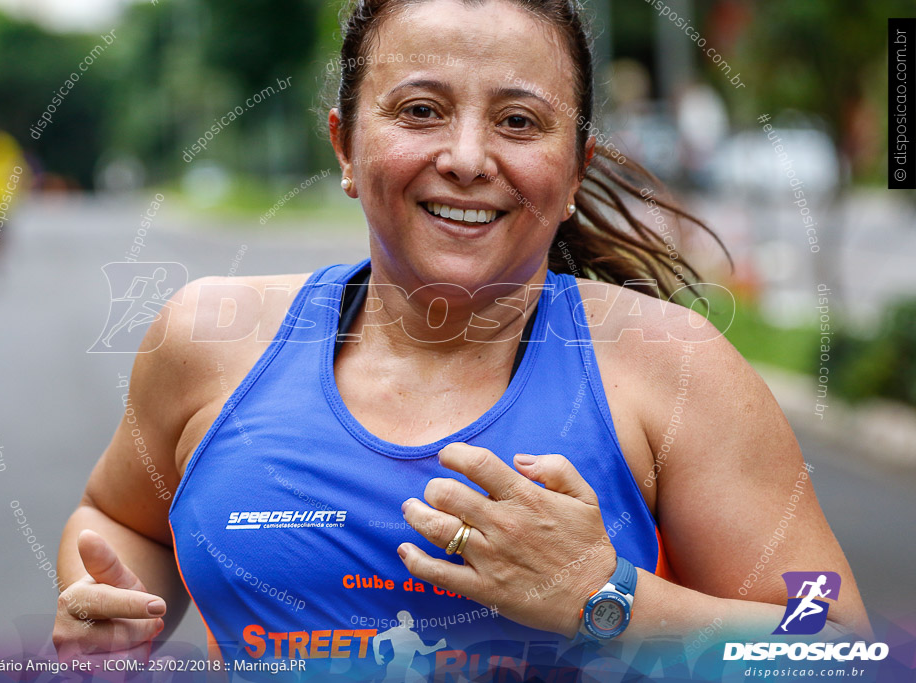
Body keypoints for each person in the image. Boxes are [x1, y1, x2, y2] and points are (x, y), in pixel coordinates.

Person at [53, 0, 871, 679]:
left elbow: (840, 650)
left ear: (575, 166)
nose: (469, 157)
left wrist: (608, 599)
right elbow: (122, 519)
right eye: (421, 110)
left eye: (518, 120)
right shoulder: (204, 342)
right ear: (344, 143)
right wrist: (110, 616)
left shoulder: (674, 369)